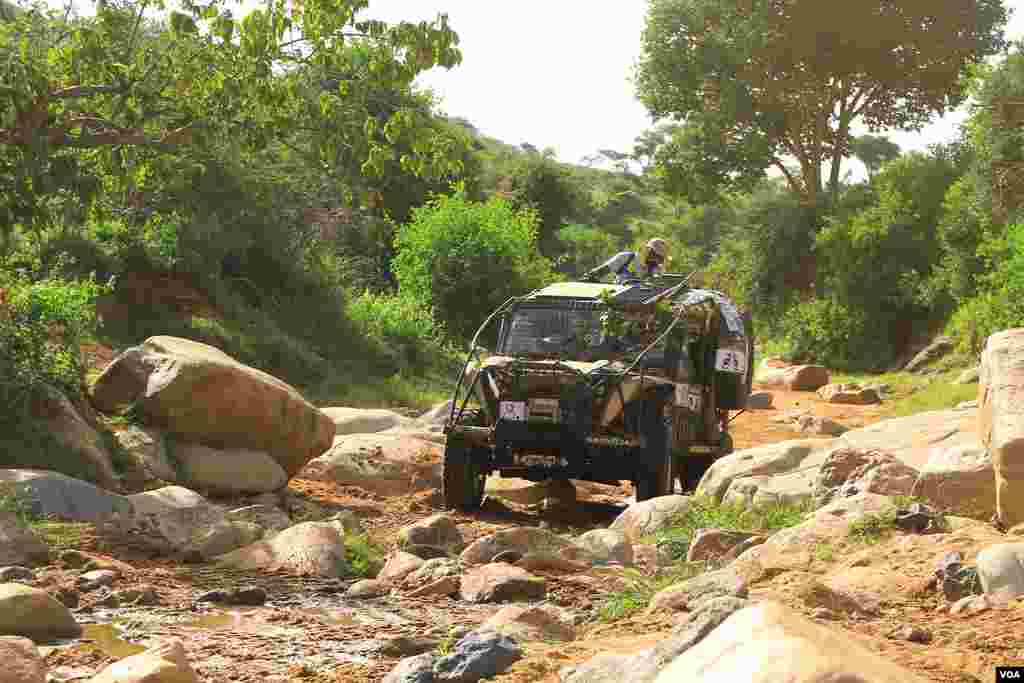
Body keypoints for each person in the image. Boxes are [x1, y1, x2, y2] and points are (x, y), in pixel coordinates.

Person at [583, 238, 670, 283]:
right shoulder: (626, 258)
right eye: (654, 254)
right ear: (647, 250)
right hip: (618, 298)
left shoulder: (656, 269)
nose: (655, 259)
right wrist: (590, 276)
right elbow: (601, 271)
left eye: (659, 257)